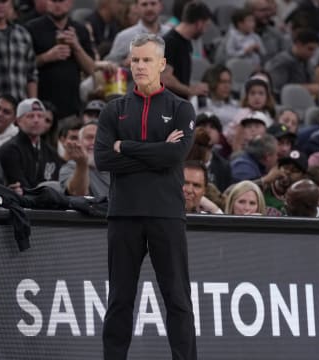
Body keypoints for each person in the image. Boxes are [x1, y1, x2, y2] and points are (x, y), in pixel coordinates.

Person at [94, 33, 197, 359]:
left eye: (146, 60)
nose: (139, 66)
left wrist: (127, 147)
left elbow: (174, 156)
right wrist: (157, 150)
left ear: (162, 64)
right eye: (135, 60)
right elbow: (103, 160)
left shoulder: (181, 108)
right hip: (123, 214)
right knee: (119, 300)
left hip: (166, 213)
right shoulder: (114, 110)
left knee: (177, 299)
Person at [26, 0, 96, 120]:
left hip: (72, 106)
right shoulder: (31, 28)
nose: (57, 5)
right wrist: (46, 57)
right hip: (42, 106)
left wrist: (76, 47)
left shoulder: (80, 30)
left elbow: (91, 69)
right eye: (53, 1)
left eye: (61, 1)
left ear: (70, 3)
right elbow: (24, 66)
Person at [0, 98, 64, 192]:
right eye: (30, 116)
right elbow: (19, 186)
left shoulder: (51, 153)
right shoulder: (10, 150)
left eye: (40, 116)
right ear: (18, 121)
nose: (36, 120)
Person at [0, 0, 37, 102]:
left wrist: (32, 103)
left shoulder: (23, 33)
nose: (0, 5)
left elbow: (31, 74)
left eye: (4, 1)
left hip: (19, 103)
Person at [161, 1, 212, 99]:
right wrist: (190, 90)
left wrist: (192, 87)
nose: (205, 31)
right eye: (206, 26)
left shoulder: (186, 42)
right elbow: (165, 78)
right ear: (199, 24)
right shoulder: (170, 42)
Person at [105, 0, 168, 64]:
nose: (149, 8)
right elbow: (109, 65)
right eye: (144, 4)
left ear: (160, 6)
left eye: (153, 3)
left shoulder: (170, 33)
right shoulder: (124, 36)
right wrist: (126, 63)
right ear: (137, 8)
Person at [265, 28, 319, 98]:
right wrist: (306, 88)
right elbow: (276, 89)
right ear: (298, 44)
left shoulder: (307, 61)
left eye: (314, 50)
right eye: (310, 49)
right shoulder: (281, 61)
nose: (312, 53)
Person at [59, 120, 110, 197]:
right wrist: (82, 164)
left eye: (99, 138)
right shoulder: (70, 167)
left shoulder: (115, 168)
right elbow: (77, 193)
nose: (94, 142)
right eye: (89, 137)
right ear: (79, 142)